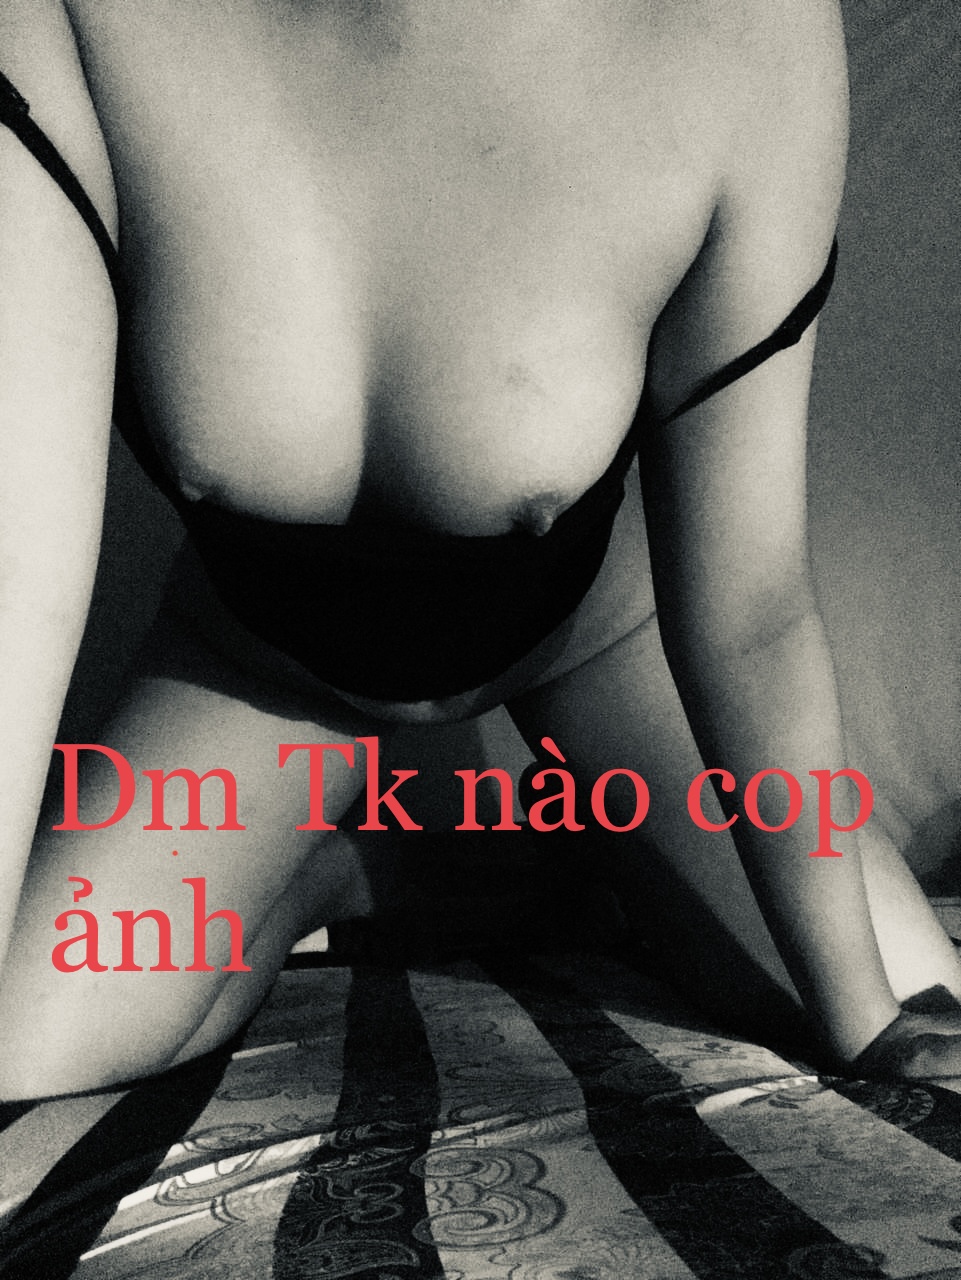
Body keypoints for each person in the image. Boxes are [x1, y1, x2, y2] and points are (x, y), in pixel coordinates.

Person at [0, 0, 959, 1099]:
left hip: (601, 643)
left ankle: (569, 840)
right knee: (13, 1039)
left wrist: (860, 1016)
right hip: (262, 667)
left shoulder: (741, 32)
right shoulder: (60, 14)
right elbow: (13, 579)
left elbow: (749, 608)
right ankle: (364, 861)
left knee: (894, 986)